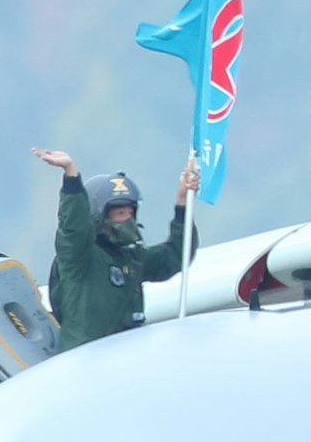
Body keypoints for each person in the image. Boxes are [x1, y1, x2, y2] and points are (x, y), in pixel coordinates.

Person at [33, 147, 197, 348]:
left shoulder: (131, 258)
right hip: (83, 363)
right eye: (120, 213)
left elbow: (175, 255)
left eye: (130, 213)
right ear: (98, 216)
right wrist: (71, 176)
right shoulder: (79, 258)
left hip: (125, 359)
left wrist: (183, 203)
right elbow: (74, 228)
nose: (127, 220)